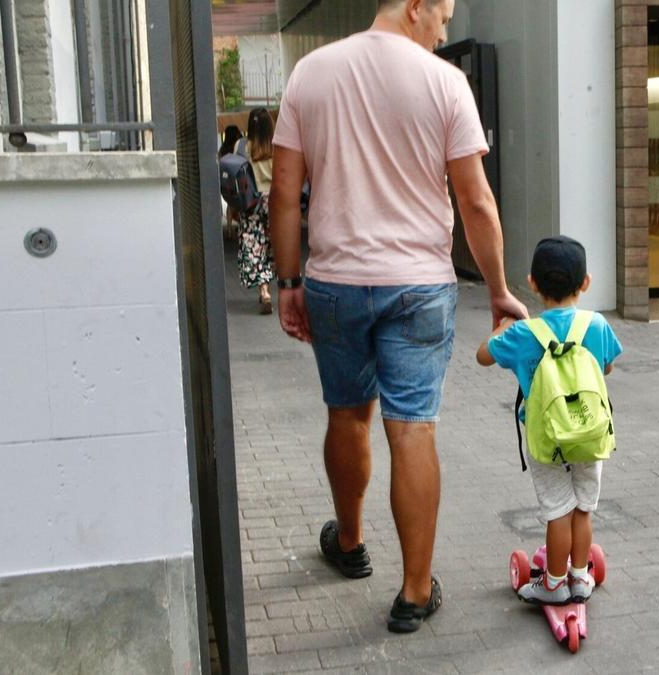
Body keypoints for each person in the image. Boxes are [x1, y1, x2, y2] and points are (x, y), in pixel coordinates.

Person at [267, 0, 528, 634]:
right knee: (412, 427)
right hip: (419, 285)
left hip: (335, 281)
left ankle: (350, 542)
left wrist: (288, 281)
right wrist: (497, 289)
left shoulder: (311, 72)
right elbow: (475, 201)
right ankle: (414, 592)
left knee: (347, 411)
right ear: (415, 7)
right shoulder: (445, 84)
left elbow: (282, 190)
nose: (445, 32)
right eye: (443, 17)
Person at [476, 236, 622, 605]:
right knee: (583, 508)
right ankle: (579, 576)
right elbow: (607, 366)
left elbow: (482, 356)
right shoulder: (597, 324)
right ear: (586, 282)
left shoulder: (524, 333)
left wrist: (502, 325)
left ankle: (553, 584)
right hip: (590, 432)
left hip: (547, 437)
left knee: (559, 511)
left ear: (532, 283)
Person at [237, 108, 275, 314]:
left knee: (254, 245)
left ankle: (264, 290)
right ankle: (277, 280)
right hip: (274, 200)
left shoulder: (242, 146)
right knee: (272, 243)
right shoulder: (277, 146)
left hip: (251, 201)